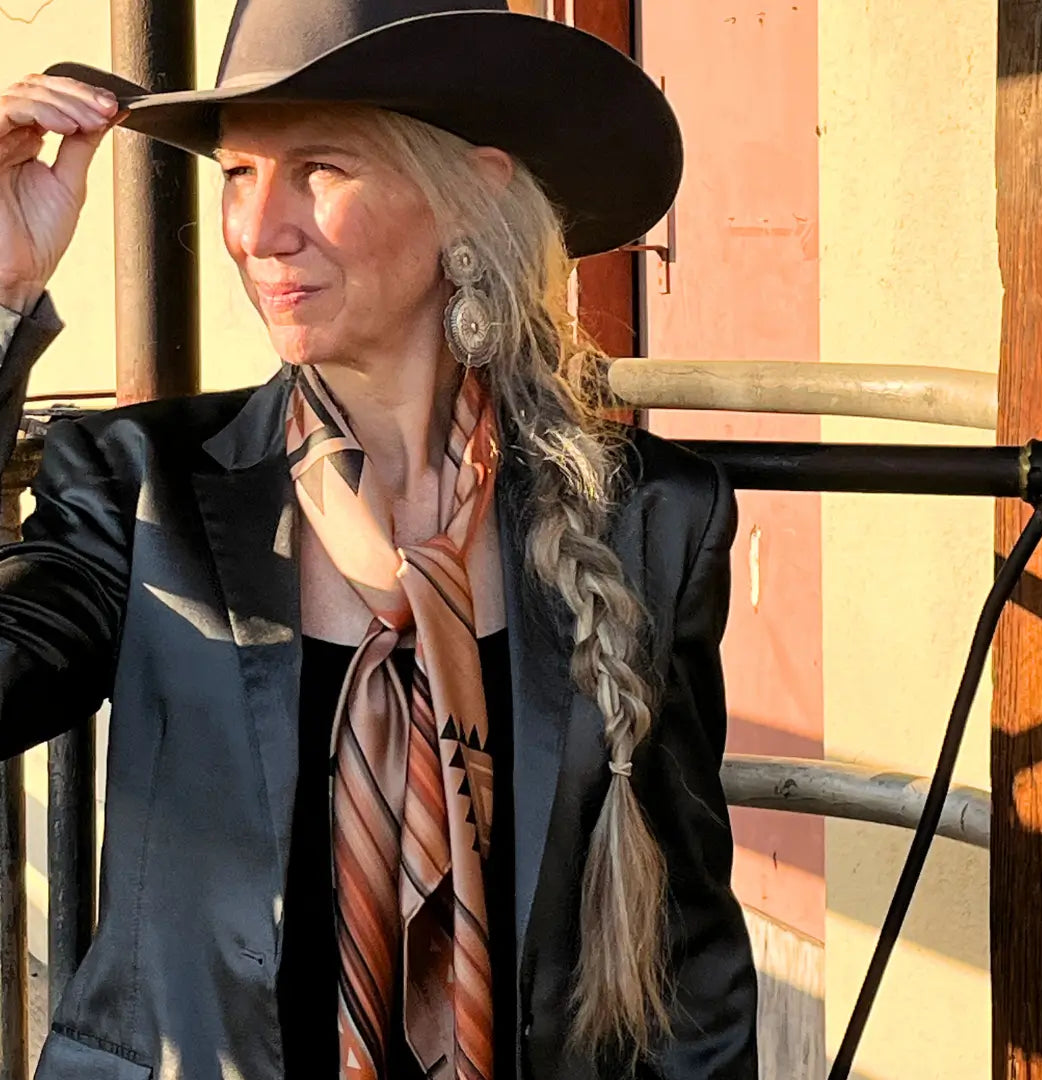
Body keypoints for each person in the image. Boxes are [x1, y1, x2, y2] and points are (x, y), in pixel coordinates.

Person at [0, 2, 758, 1078]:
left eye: (319, 169)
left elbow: (687, 965)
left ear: (471, 192)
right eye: (235, 177)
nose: (258, 231)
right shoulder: (137, 484)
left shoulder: (647, 520)